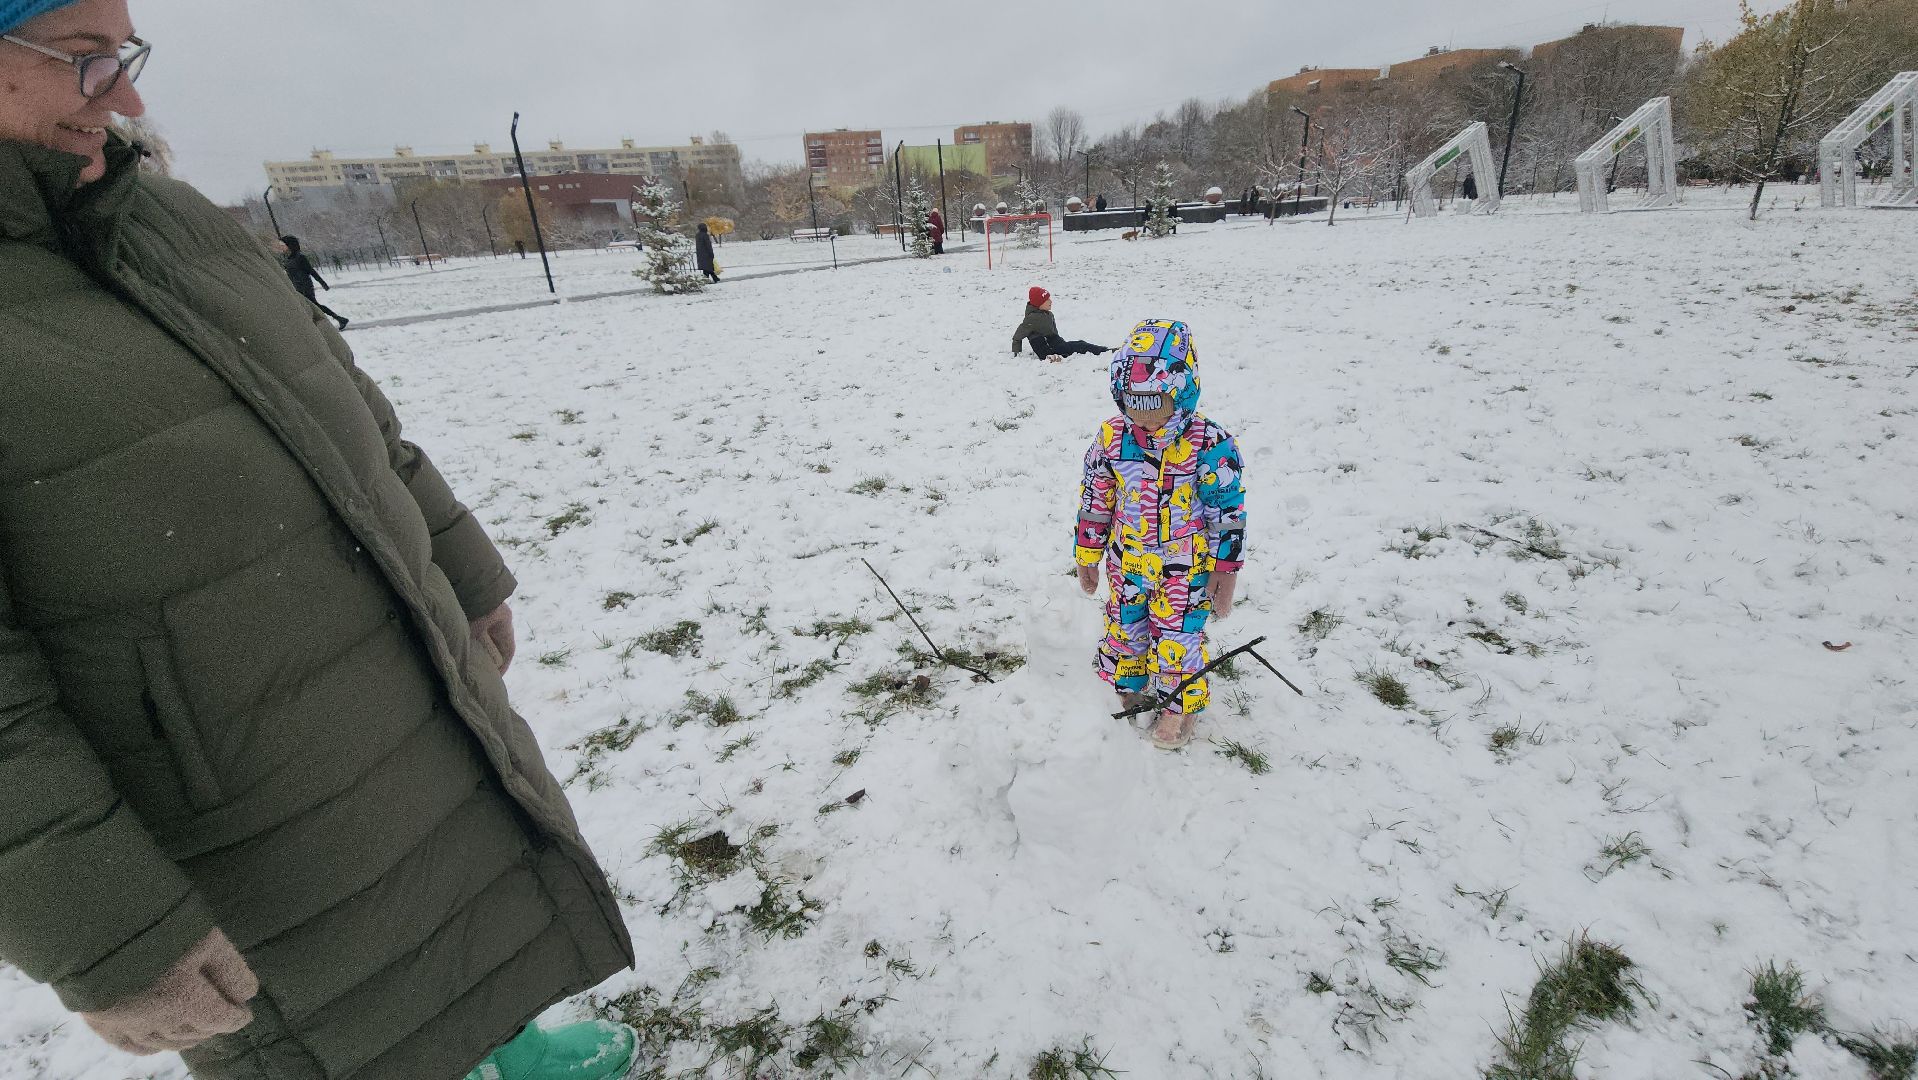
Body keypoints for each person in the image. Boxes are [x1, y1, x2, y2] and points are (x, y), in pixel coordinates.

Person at [0, 2, 639, 1079]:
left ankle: (496, 1052)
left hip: (388, 681)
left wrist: (462, 568)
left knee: (454, 889)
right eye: (84, 62)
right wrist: (100, 925)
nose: (129, 96)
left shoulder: (162, 218)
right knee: (345, 1010)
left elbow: (346, 408)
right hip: (229, 804)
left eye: (127, 56)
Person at [1073, 320, 1247, 750]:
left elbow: (1228, 512)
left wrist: (1226, 572)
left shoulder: (1210, 443)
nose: (1144, 415)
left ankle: (1176, 706)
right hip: (1127, 560)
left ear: (1181, 391)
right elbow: (1097, 497)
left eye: (1156, 401)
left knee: (1177, 639)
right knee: (1125, 628)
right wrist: (1087, 554)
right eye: (1134, 402)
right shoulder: (1112, 438)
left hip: (1185, 569)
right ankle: (1125, 685)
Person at [1011, 286, 1109, 360]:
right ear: (1039, 304)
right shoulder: (1032, 319)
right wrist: (1016, 352)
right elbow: (1018, 336)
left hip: (1055, 344)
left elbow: (1053, 332)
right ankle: (1105, 351)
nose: (1051, 301)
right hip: (1048, 351)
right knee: (1080, 345)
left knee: (1078, 345)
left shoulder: (1047, 314)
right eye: (1047, 300)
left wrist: (1060, 342)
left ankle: (1103, 351)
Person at [276, 234, 348, 330]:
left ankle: (336, 320)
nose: (281, 247)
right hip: (297, 287)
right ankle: (336, 320)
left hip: (305, 286)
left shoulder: (300, 257)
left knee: (314, 306)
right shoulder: (289, 259)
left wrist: (323, 283)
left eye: (283, 245)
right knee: (312, 307)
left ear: (290, 245)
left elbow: (311, 271)